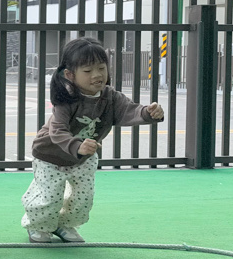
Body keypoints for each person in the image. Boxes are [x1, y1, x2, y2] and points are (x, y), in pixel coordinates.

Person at [21, 37, 164, 243]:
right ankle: (38, 226)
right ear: (70, 75)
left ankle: (65, 224)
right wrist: (77, 146)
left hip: (83, 158)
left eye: (101, 68)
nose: (97, 75)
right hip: (50, 155)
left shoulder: (110, 97)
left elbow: (129, 110)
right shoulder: (66, 99)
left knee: (83, 198)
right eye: (88, 71)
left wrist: (148, 113)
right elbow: (57, 130)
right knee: (50, 196)